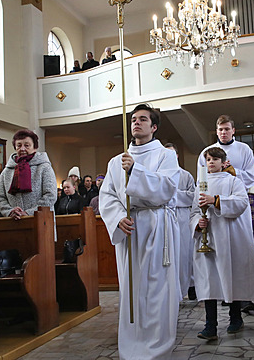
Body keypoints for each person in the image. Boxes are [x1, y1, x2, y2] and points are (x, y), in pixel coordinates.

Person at [99, 104, 180, 359]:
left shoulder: (165, 156)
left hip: (156, 226)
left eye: (143, 119)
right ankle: (132, 346)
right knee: (131, 289)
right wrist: (116, 219)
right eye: (133, 119)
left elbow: (167, 187)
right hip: (130, 230)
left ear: (154, 127)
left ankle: (158, 346)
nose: (136, 123)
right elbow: (108, 195)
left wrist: (136, 170)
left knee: (156, 289)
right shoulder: (115, 161)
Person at [190, 147, 254, 341]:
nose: (210, 162)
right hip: (209, 239)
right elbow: (194, 211)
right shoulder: (200, 185)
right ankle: (210, 325)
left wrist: (216, 201)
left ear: (224, 162)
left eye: (214, 159)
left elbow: (241, 203)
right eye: (208, 159)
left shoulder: (233, 181)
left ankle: (235, 319)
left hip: (230, 237)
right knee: (208, 281)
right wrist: (198, 223)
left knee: (232, 276)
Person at [0, 129, 57, 220]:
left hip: (41, 219)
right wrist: (10, 211)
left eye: (27, 145)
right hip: (14, 221)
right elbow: (0, 198)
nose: (22, 149)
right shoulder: (7, 171)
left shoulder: (44, 167)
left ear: (35, 147)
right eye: (19, 145)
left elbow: (50, 196)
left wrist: (29, 213)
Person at [164, 142, 196, 300]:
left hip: (182, 215)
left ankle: (190, 285)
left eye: (172, 153)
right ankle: (171, 289)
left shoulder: (186, 175)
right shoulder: (160, 174)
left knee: (185, 252)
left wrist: (172, 194)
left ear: (176, 155)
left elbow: (192, 196)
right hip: (165, 216)